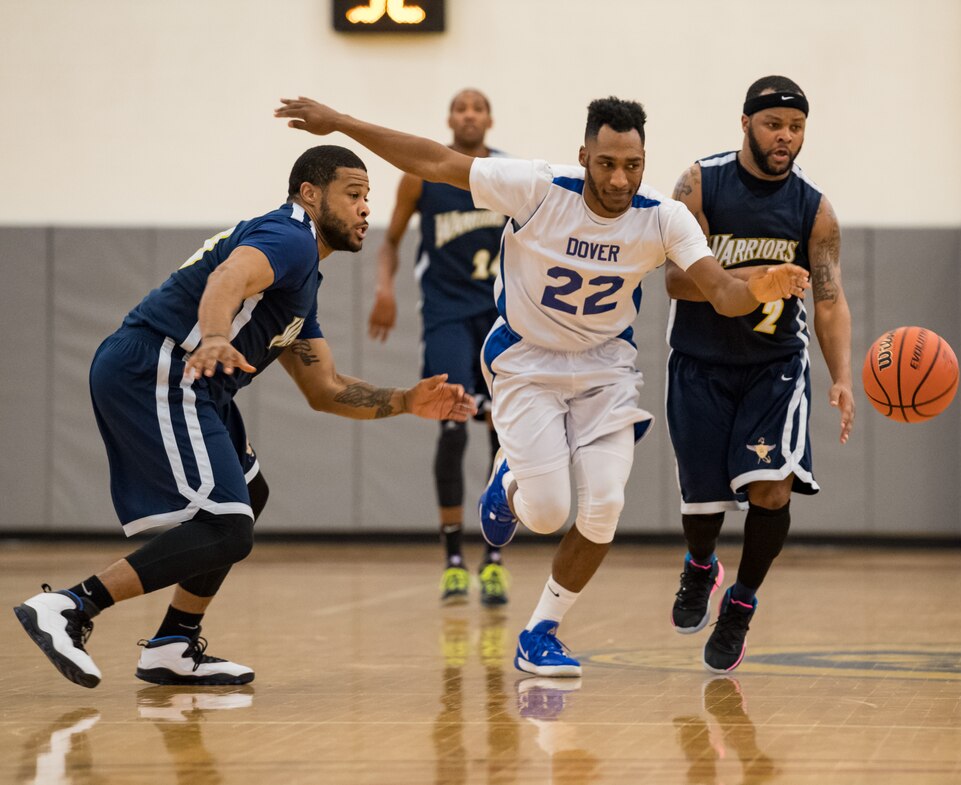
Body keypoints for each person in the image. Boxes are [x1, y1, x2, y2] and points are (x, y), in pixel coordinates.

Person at [274, 95, 810, 678]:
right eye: (606, 163)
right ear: (584, 156)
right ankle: (506, 487)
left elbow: (723, 294)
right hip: (527, 362)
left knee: (604, 506)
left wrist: (763, 285)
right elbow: (433, 161)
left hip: (606, 369)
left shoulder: (663, 217)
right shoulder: (536, 188)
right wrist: (343, 124)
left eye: (632, 165)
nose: (619, 178)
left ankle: (541, 632)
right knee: (550, 511)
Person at [13, 145, 476, 689]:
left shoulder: (303, 278)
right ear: (310, 193)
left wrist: (404, 400)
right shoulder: (291, 237)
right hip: (161, 366)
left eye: (367, 198)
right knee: (228, 527)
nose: (365, 209)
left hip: (196, 384)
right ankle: (70, 607)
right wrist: (212, 336)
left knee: (248, 499)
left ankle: (172, 644)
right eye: (353, 195)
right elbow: (228, 278)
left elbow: (324, 388)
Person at [665, 75, 854, 673]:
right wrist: (753, 284)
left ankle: (741, 602)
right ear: (746, 123)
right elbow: (672, 279)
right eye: (775, 125)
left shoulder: (813, 209)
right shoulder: (700, 182)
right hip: (699, 362)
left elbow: (828, 299)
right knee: (703, 505)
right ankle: (701, 565)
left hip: (774, 367)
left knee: (771, 487)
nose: (786, 137)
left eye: (796, 127)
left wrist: (841, 376)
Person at [370, 89, 510, 606]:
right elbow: (390, 242)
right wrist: (384, 289)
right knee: (452, 431)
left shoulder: (508, 175)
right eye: (460, 107)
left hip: (500, 319)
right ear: (449, 119)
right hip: (448, 317)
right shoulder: (422, 175)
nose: (469, 114)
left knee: (503, 437)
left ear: (489, 119)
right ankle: (453, 559)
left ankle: (494, 559)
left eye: (477, 107)